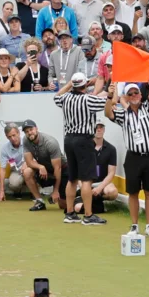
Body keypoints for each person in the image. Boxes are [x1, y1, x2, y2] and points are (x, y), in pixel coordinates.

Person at [106, 68, 149, 235]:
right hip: (133, 157)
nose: (134, 96)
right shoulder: (124, 115)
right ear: (126, 97)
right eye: (130, 94)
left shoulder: (148, 107)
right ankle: (135, 225)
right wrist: (110, 96)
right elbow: (108, 112)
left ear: (140, 94)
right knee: (133, 192)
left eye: (136, 92)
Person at [53, 73, 108, 224]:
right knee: (86, 179)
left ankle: (70, 213)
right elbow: (106, 103)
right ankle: (88, 215)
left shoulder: (66, 98)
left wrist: (70, 83)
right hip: (83, 140)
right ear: (85, 84)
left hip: (69, 139)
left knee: (72, 178)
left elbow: (57, 96)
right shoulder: (88, 99)